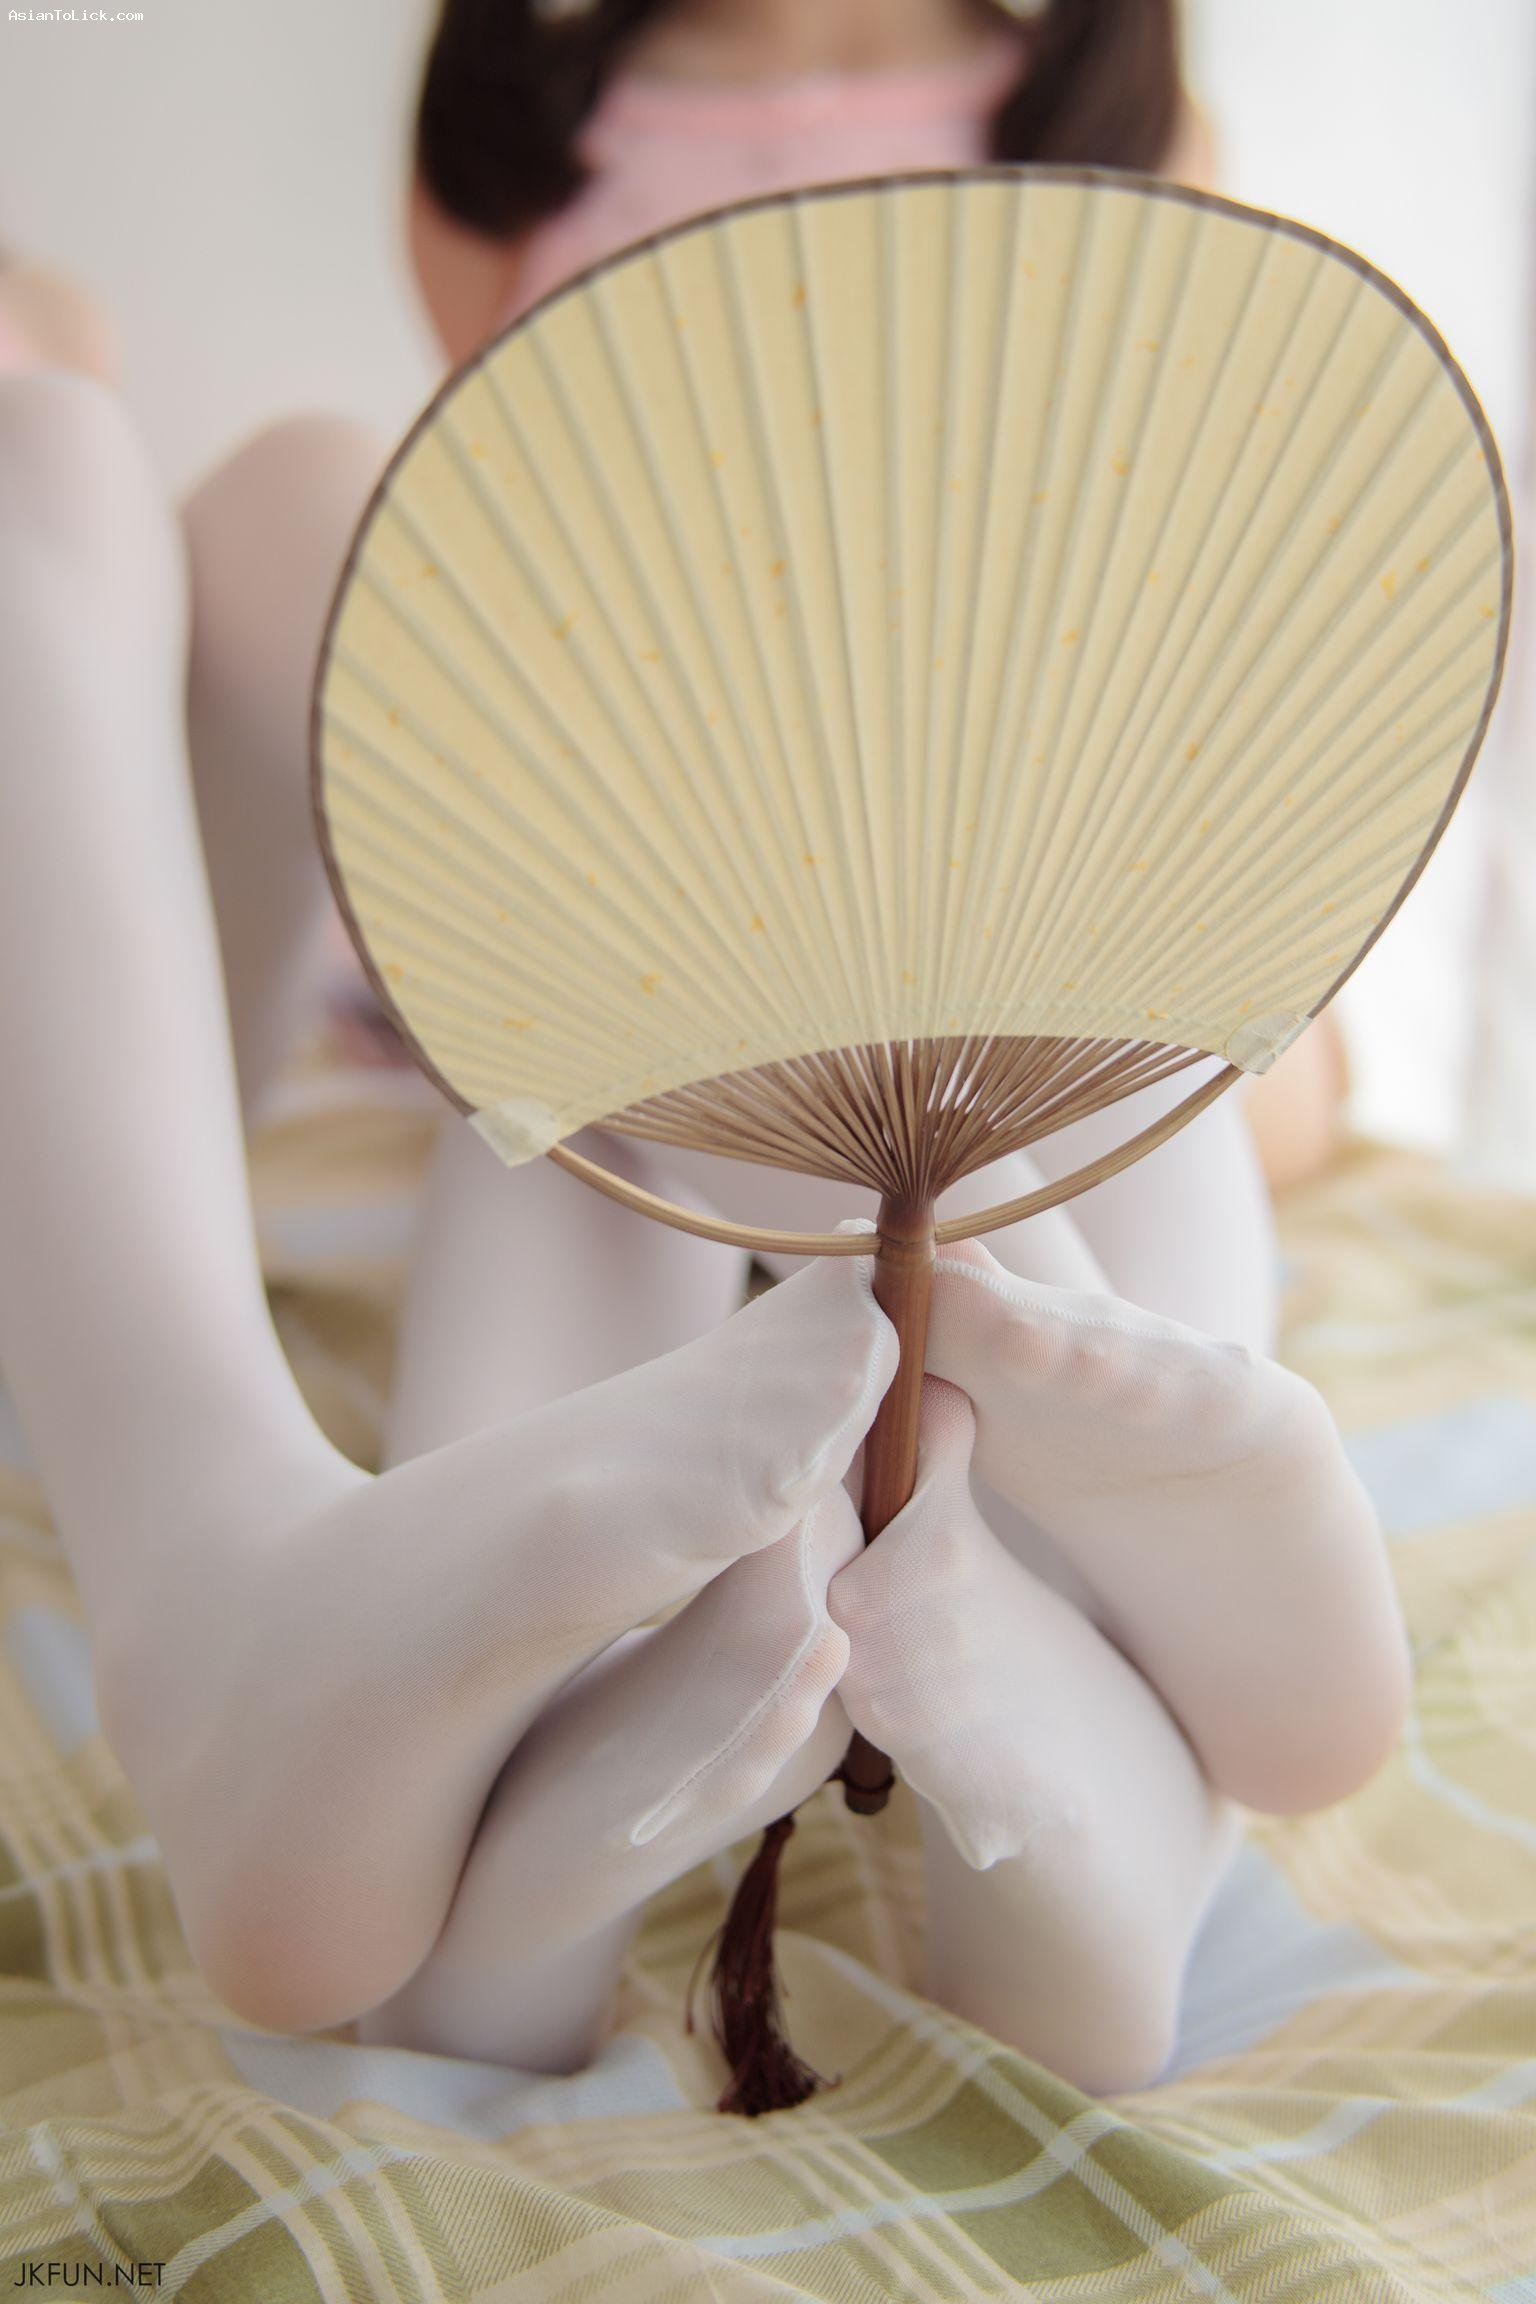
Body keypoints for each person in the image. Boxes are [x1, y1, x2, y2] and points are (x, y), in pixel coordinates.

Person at [0, 0, 1406, 2096]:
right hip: (605, 920)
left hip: (985, 891)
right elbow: (490, 547)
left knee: (1055, 1024)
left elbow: (1167, 695)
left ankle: (1019, 1738)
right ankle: (994, 1699)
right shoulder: (534, 138)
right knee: (595, 1056)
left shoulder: (1117, 144)